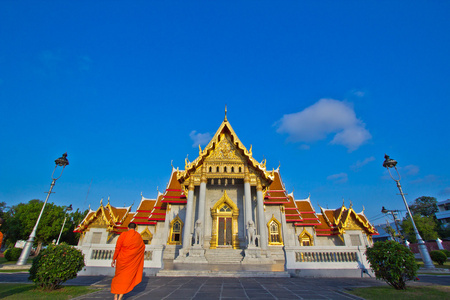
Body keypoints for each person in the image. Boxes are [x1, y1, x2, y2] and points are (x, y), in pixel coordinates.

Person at [111, 222, 145, 300]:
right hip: (131, 262)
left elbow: (117, 248)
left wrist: (114, 259)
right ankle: (120, 297)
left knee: (118, 278)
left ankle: (116, 295)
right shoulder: (138, 236)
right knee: (127, 279)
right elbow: (142, 247)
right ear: (136, 228)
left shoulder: (123, 235)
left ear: (127, 228)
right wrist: (135, 256)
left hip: (121, 260)